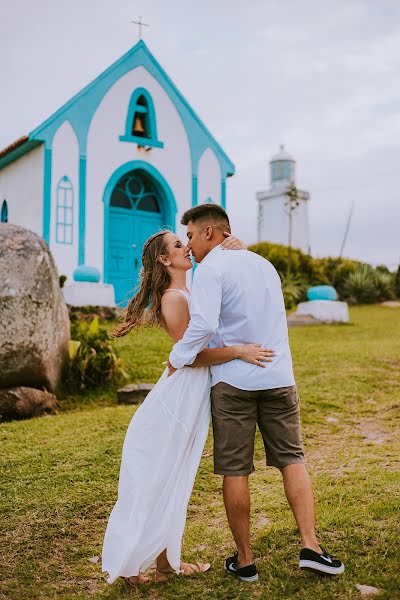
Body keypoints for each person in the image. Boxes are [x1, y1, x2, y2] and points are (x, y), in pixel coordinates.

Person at [168, 204, 345, 583]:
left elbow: (203, 324)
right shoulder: (265, 265)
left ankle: (245, 560)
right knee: (292, 460)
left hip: (233, 384)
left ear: (211, 233)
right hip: (279, 376)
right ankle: (312, 547)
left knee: (235, 470)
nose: (191, 245)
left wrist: (178, 357)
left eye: (193, 236)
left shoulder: (211, 269)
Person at [101, 228, 274, 586]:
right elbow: (190, 357)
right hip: (178, 399)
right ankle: (133, 566)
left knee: (175, 477)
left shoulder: (188, 290)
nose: (187, 248)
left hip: (193, 397)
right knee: (160, 476)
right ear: (165, 259)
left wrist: (236, 250)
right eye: (179, 245)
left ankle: (166, 563)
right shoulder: (175, 298)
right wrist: (240, 351)